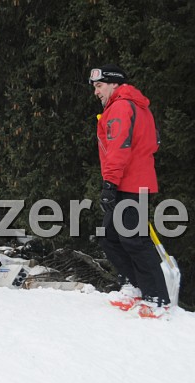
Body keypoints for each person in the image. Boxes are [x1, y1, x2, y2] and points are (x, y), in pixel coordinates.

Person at [88, 64, 171, 319]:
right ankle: (133, 286)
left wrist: (110, 183)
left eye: (99, 86)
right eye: (94, 87)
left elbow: (118, 146)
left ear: (115, 84)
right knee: (109, 236)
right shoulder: (133, 106)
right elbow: (153, 141)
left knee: (134, 240)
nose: (96, 92)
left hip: (131, 183)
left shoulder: (122, 107)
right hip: (128, 181)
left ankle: (157, 298)